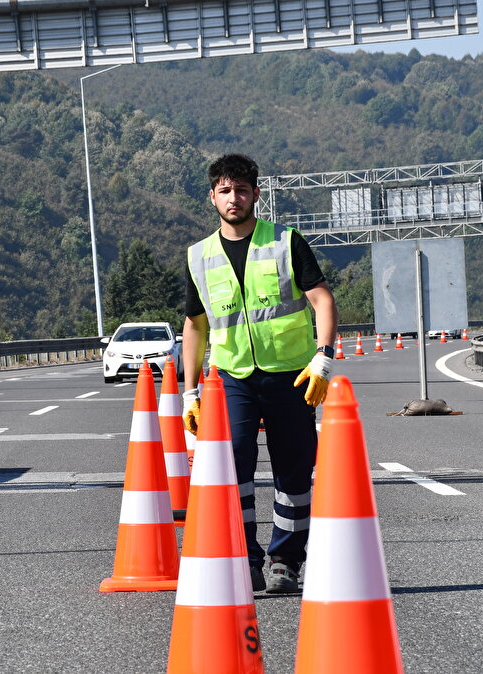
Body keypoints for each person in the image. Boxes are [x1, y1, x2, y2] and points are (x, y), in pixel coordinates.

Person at [181, 153, 337, 594]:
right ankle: (245, 560)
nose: (234, 198)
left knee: (294, 471)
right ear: (213, 196)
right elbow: (195, 325)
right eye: (226, 191)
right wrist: (189, 392)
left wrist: (323, 358)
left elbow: (322, 300)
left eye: (242, 190)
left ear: (256, 194)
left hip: (292, 374)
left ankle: (286, 561)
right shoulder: (199, 256)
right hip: (232, 377)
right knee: (234, 470)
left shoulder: (285, 241)